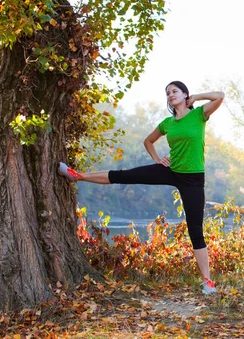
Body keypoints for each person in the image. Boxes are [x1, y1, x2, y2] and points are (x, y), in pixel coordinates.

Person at [58, 81, 225, 295]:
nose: (170, 95)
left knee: (195, 229)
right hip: (171, 170)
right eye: (168, 93)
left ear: (185, 94)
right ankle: (77, 176)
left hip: (193, 179)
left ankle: (207, 282)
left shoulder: (199, 115)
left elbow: (219, 96)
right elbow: (148, 141)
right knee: (126, 175)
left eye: (175, 91)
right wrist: (157, 160)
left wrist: (196, 97)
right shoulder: (167, 123)